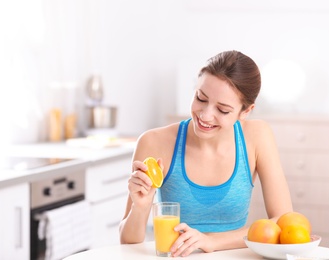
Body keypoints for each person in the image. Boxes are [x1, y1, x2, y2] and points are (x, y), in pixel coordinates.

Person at [119, 50, 293, 257]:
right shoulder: (154, 142)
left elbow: (283, 222)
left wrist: (211, 241)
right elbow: (128, 242)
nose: (205, 115)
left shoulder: (257, 136)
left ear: (245, 111)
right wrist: (140, 206)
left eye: (223, 110)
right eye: (201, 98)